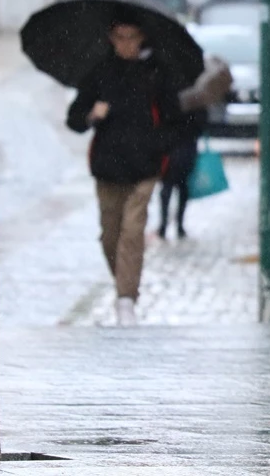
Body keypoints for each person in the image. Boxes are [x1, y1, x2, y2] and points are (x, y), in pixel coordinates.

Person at [67, 16, 229, 326]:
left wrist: (160, 144)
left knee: (132, 230)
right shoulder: (100, 73)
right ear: (111, 38)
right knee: (110, 236)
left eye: (131, 36)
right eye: (119, 37)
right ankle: (124, 285)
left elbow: (176, 119)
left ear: (143, 37)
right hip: (107, 167)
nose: (126, 43)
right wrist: (92, 115)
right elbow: (74, 120)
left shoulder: (158, 73)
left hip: (145, 167)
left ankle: (126, 299)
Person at [157, 107, 206, 240]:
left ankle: (166, 224)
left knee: (169, 186)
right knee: (181, 186)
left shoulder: (170, 95)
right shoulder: (194, 98)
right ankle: (177, 224)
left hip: (173, 147)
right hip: (183, 147)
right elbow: (201, 124)